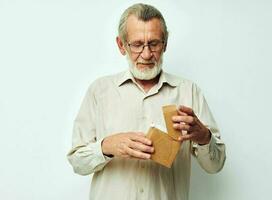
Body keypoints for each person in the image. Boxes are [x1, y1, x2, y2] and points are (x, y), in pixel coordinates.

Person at [67, 3, 226, 200]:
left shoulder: (188, 92)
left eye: (154, 43)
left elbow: (216, 165)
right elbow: (76, 162)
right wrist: (106, 146)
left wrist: (204, 136)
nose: (147, 54)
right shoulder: (99, 91)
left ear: (165, 44)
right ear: (121, 45)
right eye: (136, 44)